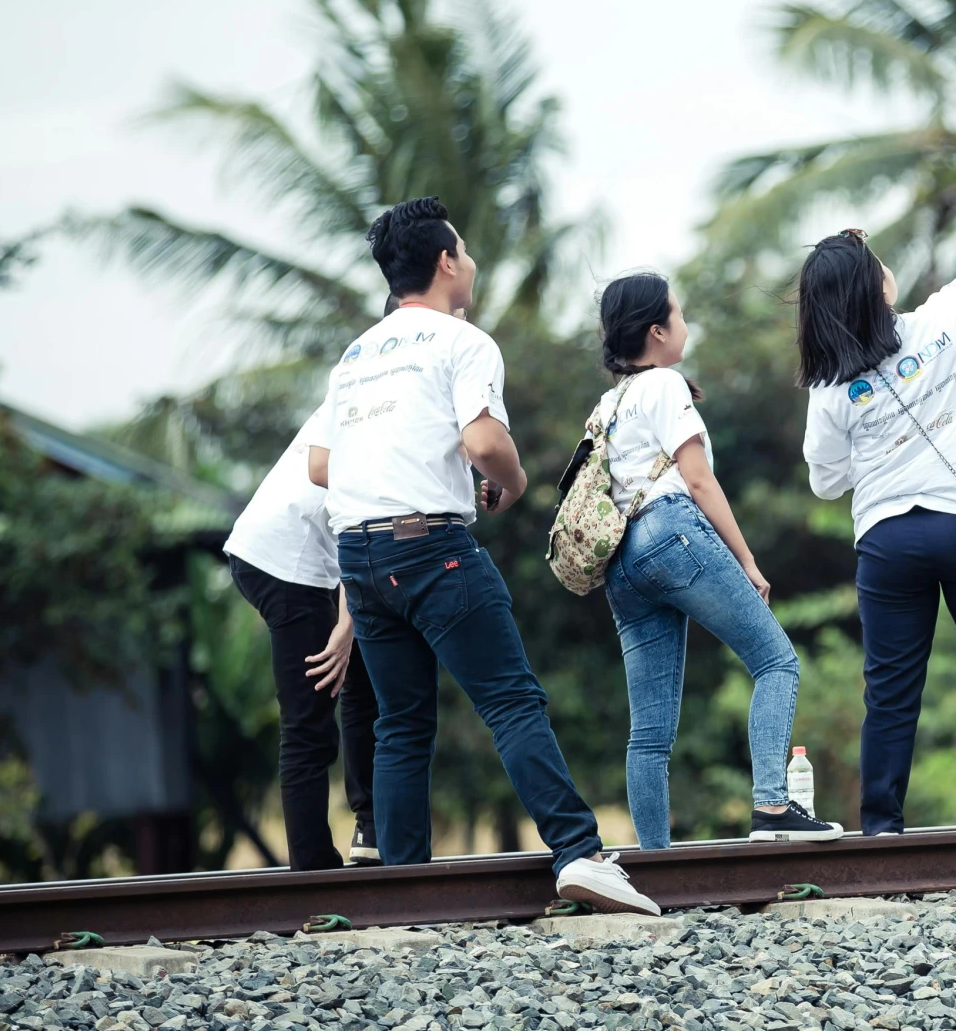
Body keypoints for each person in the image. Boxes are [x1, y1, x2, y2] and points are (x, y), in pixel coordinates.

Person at [310, 196, 657, 915]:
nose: (470, 262)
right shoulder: (462, 342)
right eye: (464, 251)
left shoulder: (356, 355)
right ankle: (578, 851)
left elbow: (321, 463)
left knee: (401, 723)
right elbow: (484, 444)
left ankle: (403, 889)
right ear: (445, 261)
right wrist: (514, 480)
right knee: (510, 700)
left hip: (360, 556)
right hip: (431, 548)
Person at [797, 138, 956, 836]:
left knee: (892, 693)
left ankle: (880, 829)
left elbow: (823, 480)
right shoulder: (938, 326)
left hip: (886, 541)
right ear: (877, 287)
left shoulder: (829, 388)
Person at [593, 273, 842, 849]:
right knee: (777, 662)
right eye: (678, 315)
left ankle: (655, 860)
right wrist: (748, 561)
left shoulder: (608, 405)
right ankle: (773, 806)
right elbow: (699, 480)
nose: (686, 325)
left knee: (649, 735)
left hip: (621, 563)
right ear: (656, 332)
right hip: (670, 534)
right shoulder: (663, 384)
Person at [223, 403, 378, 870]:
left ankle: (371, 828)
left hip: (297, 555)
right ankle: (312, 871)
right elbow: (356, 521)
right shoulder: (373, 392)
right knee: (310, 719)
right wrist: (345, 627)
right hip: (286, 562)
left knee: (364, 681)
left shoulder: (367, 378)